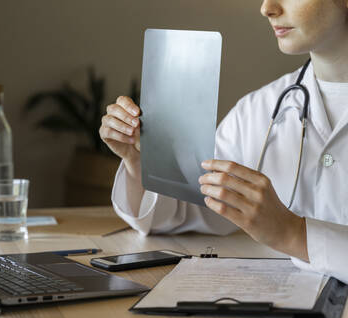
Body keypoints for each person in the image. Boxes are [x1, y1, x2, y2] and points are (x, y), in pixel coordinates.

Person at [99, 0, 348, 283]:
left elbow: (289, 233)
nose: (267, 8)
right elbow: (188, 209)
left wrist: (293, 234)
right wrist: (138, 161)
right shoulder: (259, 109)